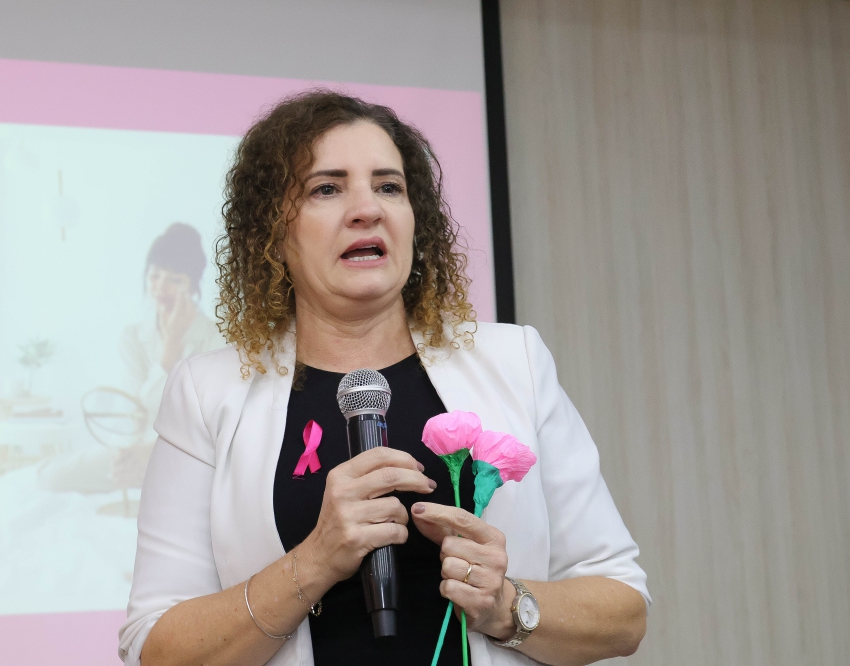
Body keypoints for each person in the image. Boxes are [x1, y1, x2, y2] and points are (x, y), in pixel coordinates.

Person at [119, 92, 649, 666]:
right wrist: (316, 560)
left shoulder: (514, 360)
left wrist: (505, 606)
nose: (366, 209)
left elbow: (623, 612)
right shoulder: (207, 391)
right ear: (273, 231)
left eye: (389, 187)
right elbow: (156, 647)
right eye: (327, 189)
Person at [37, 223, 223, 493]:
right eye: (155, 276)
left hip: (189, 457)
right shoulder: (133, 337)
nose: (161, 287)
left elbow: (208, 423)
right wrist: (168, 352)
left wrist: (172, 343)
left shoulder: (216, 338)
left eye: (174, 279)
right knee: (53, 477)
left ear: (193, 286)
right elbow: (135, 410)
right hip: (138, 448)